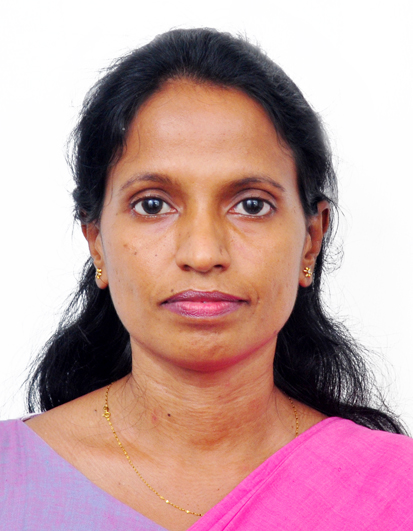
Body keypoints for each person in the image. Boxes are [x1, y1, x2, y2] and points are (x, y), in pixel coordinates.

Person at [1, 28, 412, 531]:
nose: (202, 254)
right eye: (153, 204)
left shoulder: (398, 486)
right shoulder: (9, 479)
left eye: (251, 205)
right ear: (96, 241)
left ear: (311, 239)